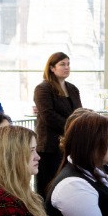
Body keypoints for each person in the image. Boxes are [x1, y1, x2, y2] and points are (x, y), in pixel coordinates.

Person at [32, 53, 82, 198]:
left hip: (68, 145)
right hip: (49, 147)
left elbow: (79, 112)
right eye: (62, 64)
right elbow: (49, 116)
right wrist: (73, 127)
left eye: (68, 64)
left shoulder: (72, 88)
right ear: (52, 68)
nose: (67, 67)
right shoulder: (43, 88)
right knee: (48, 187)